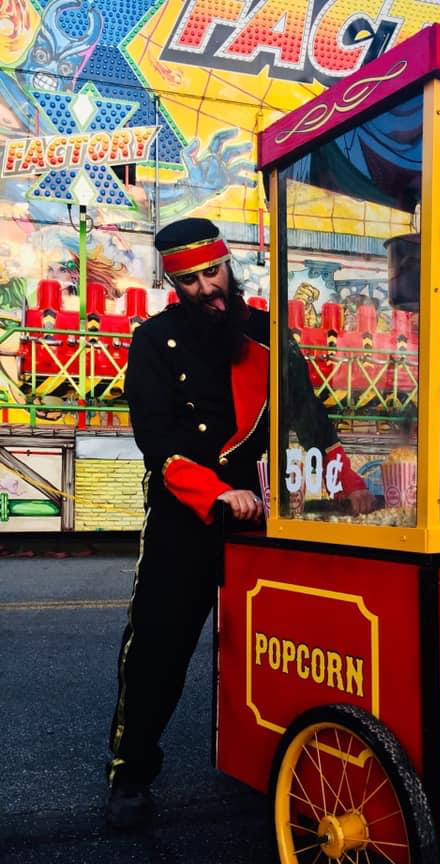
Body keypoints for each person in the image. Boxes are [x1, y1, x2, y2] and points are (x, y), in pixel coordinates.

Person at [106, 217, 374, 829]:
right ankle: (130, 770)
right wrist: (218, 492)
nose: (206, 288)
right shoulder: (153, 340)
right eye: (190, 280)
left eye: (212, 272)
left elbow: (310, 422)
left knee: (286, 647)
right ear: (173, 283)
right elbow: (158, 442)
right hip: (187, 514)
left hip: (262, 517)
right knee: (158, 644)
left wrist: (350, 488)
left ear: (228, 265)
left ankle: (280, 761)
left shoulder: (266, 333)